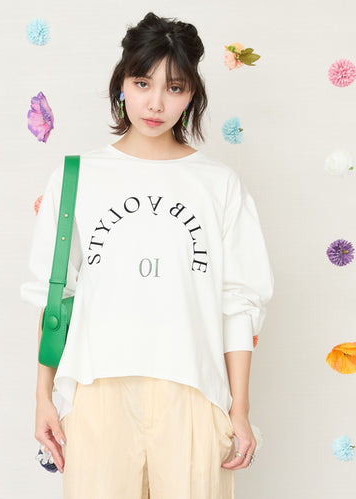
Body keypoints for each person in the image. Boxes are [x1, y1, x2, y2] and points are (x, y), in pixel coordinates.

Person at [20, 11, 275, 499]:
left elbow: (238, 302)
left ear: (192, 95)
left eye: (174, 88)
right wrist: (43, 396)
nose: (156, 103)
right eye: (142, 83)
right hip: (96, 390)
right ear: (121, 84)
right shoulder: (77, 175)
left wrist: (239, 409)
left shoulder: (218, 184)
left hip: (193, 391)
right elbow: (55, 297)